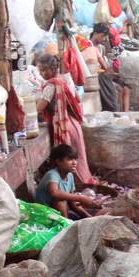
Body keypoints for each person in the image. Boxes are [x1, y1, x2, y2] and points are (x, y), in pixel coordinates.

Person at [35, 54, 95, 187]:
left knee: (66, 159)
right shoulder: (66, 79)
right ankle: (82, 183)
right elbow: (77, 99)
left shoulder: (51, 85)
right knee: (77, 158)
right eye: (40, 71)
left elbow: (39, 108)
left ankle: (73, 186)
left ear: (53, 69)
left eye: (44, 70)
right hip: (73, 123)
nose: (42, 74)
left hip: (64, 126)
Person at [35, 144, 100, 220]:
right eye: (69, 159)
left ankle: (69, 222)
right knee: (60, 201)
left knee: (70, 203)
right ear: (58, 161)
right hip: (44, 213)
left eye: (75, 159)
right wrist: (81, 198)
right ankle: (66, 225)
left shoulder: (70, 176)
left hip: (56, 212)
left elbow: (72, 202)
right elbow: (54, 193)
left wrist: (89, 217)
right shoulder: (52, 174)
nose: (74, 163)